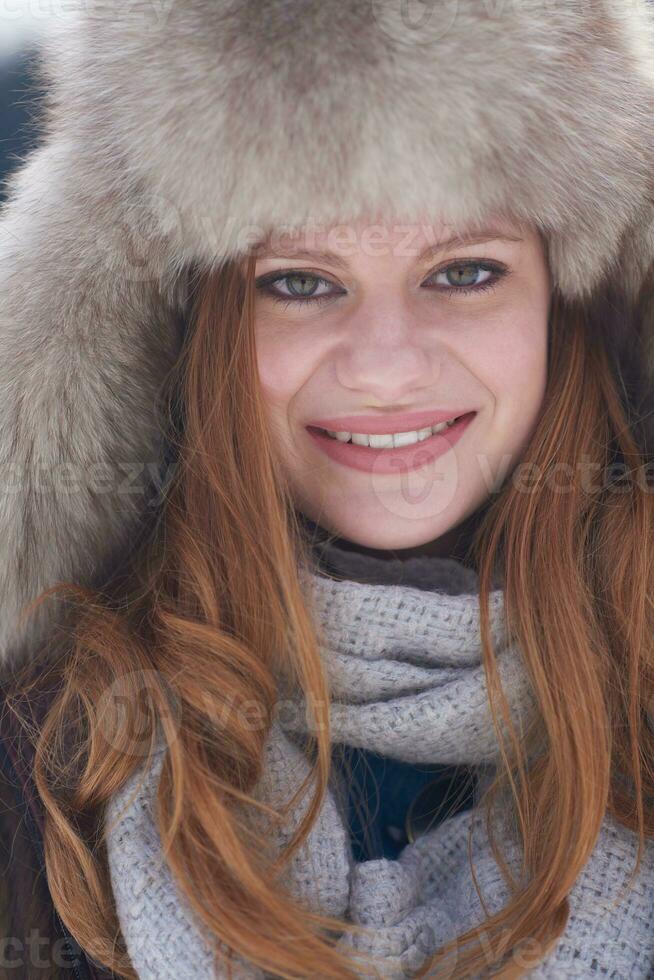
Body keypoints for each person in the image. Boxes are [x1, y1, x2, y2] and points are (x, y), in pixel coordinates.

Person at [0, 1, 653, 977]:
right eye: (303, 281)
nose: (387, 365)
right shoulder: (39, 762)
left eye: (466, 269)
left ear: (566, 301)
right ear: (197, 321)